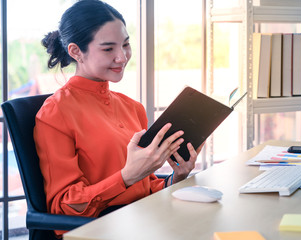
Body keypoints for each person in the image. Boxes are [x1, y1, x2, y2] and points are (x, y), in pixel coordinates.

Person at [33, 0, 201, 232]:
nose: (122, 57)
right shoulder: (56, 112)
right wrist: (126, 177)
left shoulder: (133, 108)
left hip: (143, 223)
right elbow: (63, 208)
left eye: (126, 44)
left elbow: (146, 188)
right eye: (108, 48)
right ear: (75, 51)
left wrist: (177, 177)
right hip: (99, 231)